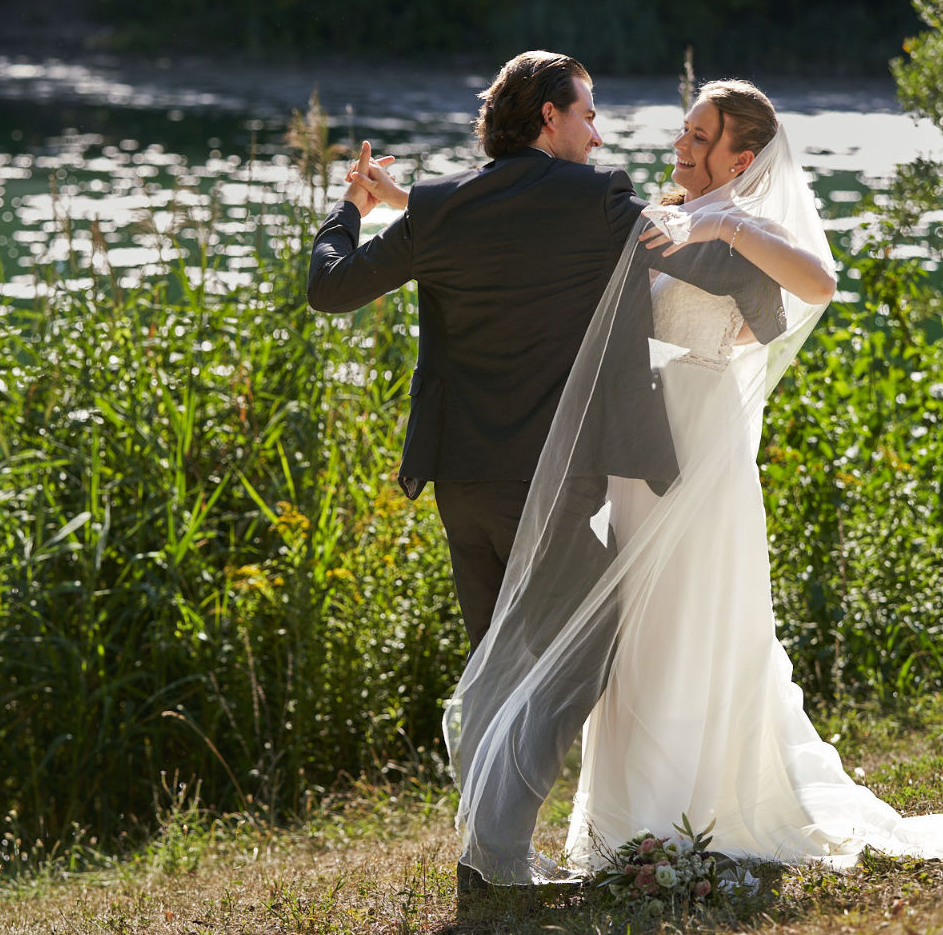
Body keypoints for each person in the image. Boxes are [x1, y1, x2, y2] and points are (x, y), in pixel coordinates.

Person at [348, 78, 943, 888]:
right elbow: (528, 229)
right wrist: (412, 200)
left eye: (699, 137)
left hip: (700, 451)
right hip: (639, 452)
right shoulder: (651, 215)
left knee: (693, 620)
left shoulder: (740, 229)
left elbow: (816, 286)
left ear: (743, 156)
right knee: (637, 638)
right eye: (685, 131)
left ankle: (687, 811)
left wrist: (730, 223)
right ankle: (627, 821)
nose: (680, 146)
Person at [307, 51, 781, 706]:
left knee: (495, 672)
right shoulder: (601, 202)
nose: (598, 134)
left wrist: (350, 209)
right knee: (599, 649)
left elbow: (329, 288)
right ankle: (512, 804)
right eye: (588, 115)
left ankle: (490, 804)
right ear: (549, 115)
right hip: (548, 486)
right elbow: (699, 262)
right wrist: (761, 299)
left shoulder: (443, 206)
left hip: (459, 481)